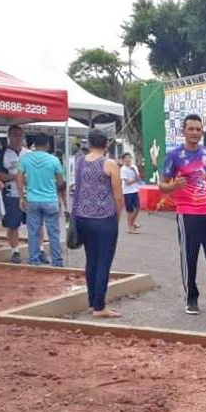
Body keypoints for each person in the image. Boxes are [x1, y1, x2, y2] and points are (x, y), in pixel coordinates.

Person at [160, 114, 206, 315]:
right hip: (187, 214)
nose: (194, 133)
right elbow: (161, 185)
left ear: (202, 132)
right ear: (183, 131)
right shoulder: (174, 155)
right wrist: (173, 185)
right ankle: (191, 299)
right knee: (189, 257)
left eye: (198, 129)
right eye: (190, 129)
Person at [72, 129, 125, 318]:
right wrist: (116, 218)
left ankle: (92, 301)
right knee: (103, 261)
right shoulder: (109, 164)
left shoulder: (79, 162)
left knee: (91, 261)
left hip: (83, 217)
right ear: (106, 144)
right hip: (104, 218)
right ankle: (100, 306)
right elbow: (119, 197)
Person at [17, 133, 65, 267]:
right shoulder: (54, 160)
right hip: (50, 199)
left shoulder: (26, 159)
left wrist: (22, 196)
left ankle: (34, 260)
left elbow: (19, 178)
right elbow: (61, 181)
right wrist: (51, 186)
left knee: (33, 232)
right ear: (47, 145)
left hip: (32, 199)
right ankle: (57, 261)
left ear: (34, 144)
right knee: (53, 232)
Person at [0, 125, 29, 263]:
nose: (18, 138)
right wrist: (15, 177)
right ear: (9, 136)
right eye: (14, 135)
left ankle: (39, 250)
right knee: (12, 224)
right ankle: (15, 251)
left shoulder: (28, 153)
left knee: (35, 223)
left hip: (29, 194)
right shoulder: (2, 153)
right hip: (10, 194)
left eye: (20, 135)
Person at [120, 152, 141, 234]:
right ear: (123, 160)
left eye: (129, 158)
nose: (128, 159)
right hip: (127, 192)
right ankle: (130, 227)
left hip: (135, 190)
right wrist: (135, 180)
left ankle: (133, 222)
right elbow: (127, 182)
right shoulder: (123, 169)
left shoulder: (134, 167)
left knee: (137, 207)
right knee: (130, 210)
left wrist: (134, 172)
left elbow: (139, 178)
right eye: (126, 158)